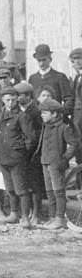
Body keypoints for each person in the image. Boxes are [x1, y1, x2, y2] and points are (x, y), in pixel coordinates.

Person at [0, 86, 34, 229]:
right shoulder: (1, 114)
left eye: (12, 99)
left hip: (17, 158)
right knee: (9, 188)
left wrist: (21, 152)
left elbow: (30, 138)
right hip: (2, 156)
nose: (10, 103)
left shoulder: (22, 116)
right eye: (7, 100)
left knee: (21, 189)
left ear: (17, 99)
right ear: (3, 101)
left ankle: (25, 217)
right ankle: (14, 213)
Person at [36, 98, 79, 229]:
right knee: (49, 191)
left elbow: (74, 144)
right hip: (45, 162)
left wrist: (64, 158)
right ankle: (52, 217)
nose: (42, 115)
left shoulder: (63, 128)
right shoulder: (46, 126)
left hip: (56, 164)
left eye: (44, 113)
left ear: (54, 114)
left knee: (58, 191)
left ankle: (60, 219)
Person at [16, 81, 44, 225]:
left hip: (33, 153)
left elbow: (39, 133)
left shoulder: (35, 111)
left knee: (35, 184)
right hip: (22, 153)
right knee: (25, 183)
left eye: (20, 95)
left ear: (28, 96)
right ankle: (29, 211)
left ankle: (37, 213)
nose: (17, 98)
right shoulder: (17, 110)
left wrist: (30, 147)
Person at [27, 44, 72, 115]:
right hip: (37, 117)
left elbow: (68, 99)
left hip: (54, 116)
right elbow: (31, 100)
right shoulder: (33, 78)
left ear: (50, 59)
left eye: (44, 60)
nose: (41, 63)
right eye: (39, 60)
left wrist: (62, 112)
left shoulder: (59, 77)